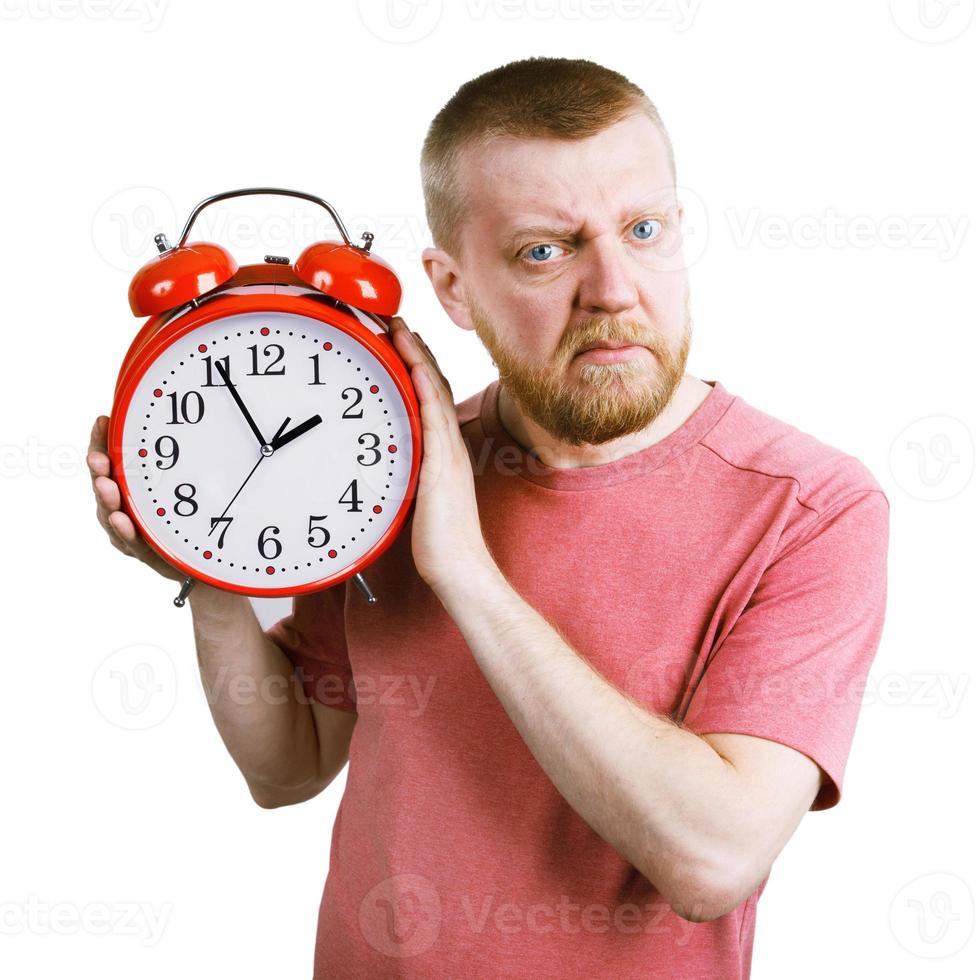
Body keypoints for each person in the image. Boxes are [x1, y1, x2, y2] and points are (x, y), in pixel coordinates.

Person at [87, 57, 890, 979]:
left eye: (643, 229)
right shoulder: (383, 466)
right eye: (544, 250)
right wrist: (205, 571)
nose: (615, 288)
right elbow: (287, 768)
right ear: (453, 288)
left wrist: (464, 570)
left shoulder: (812, 508)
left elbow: (712, 861)